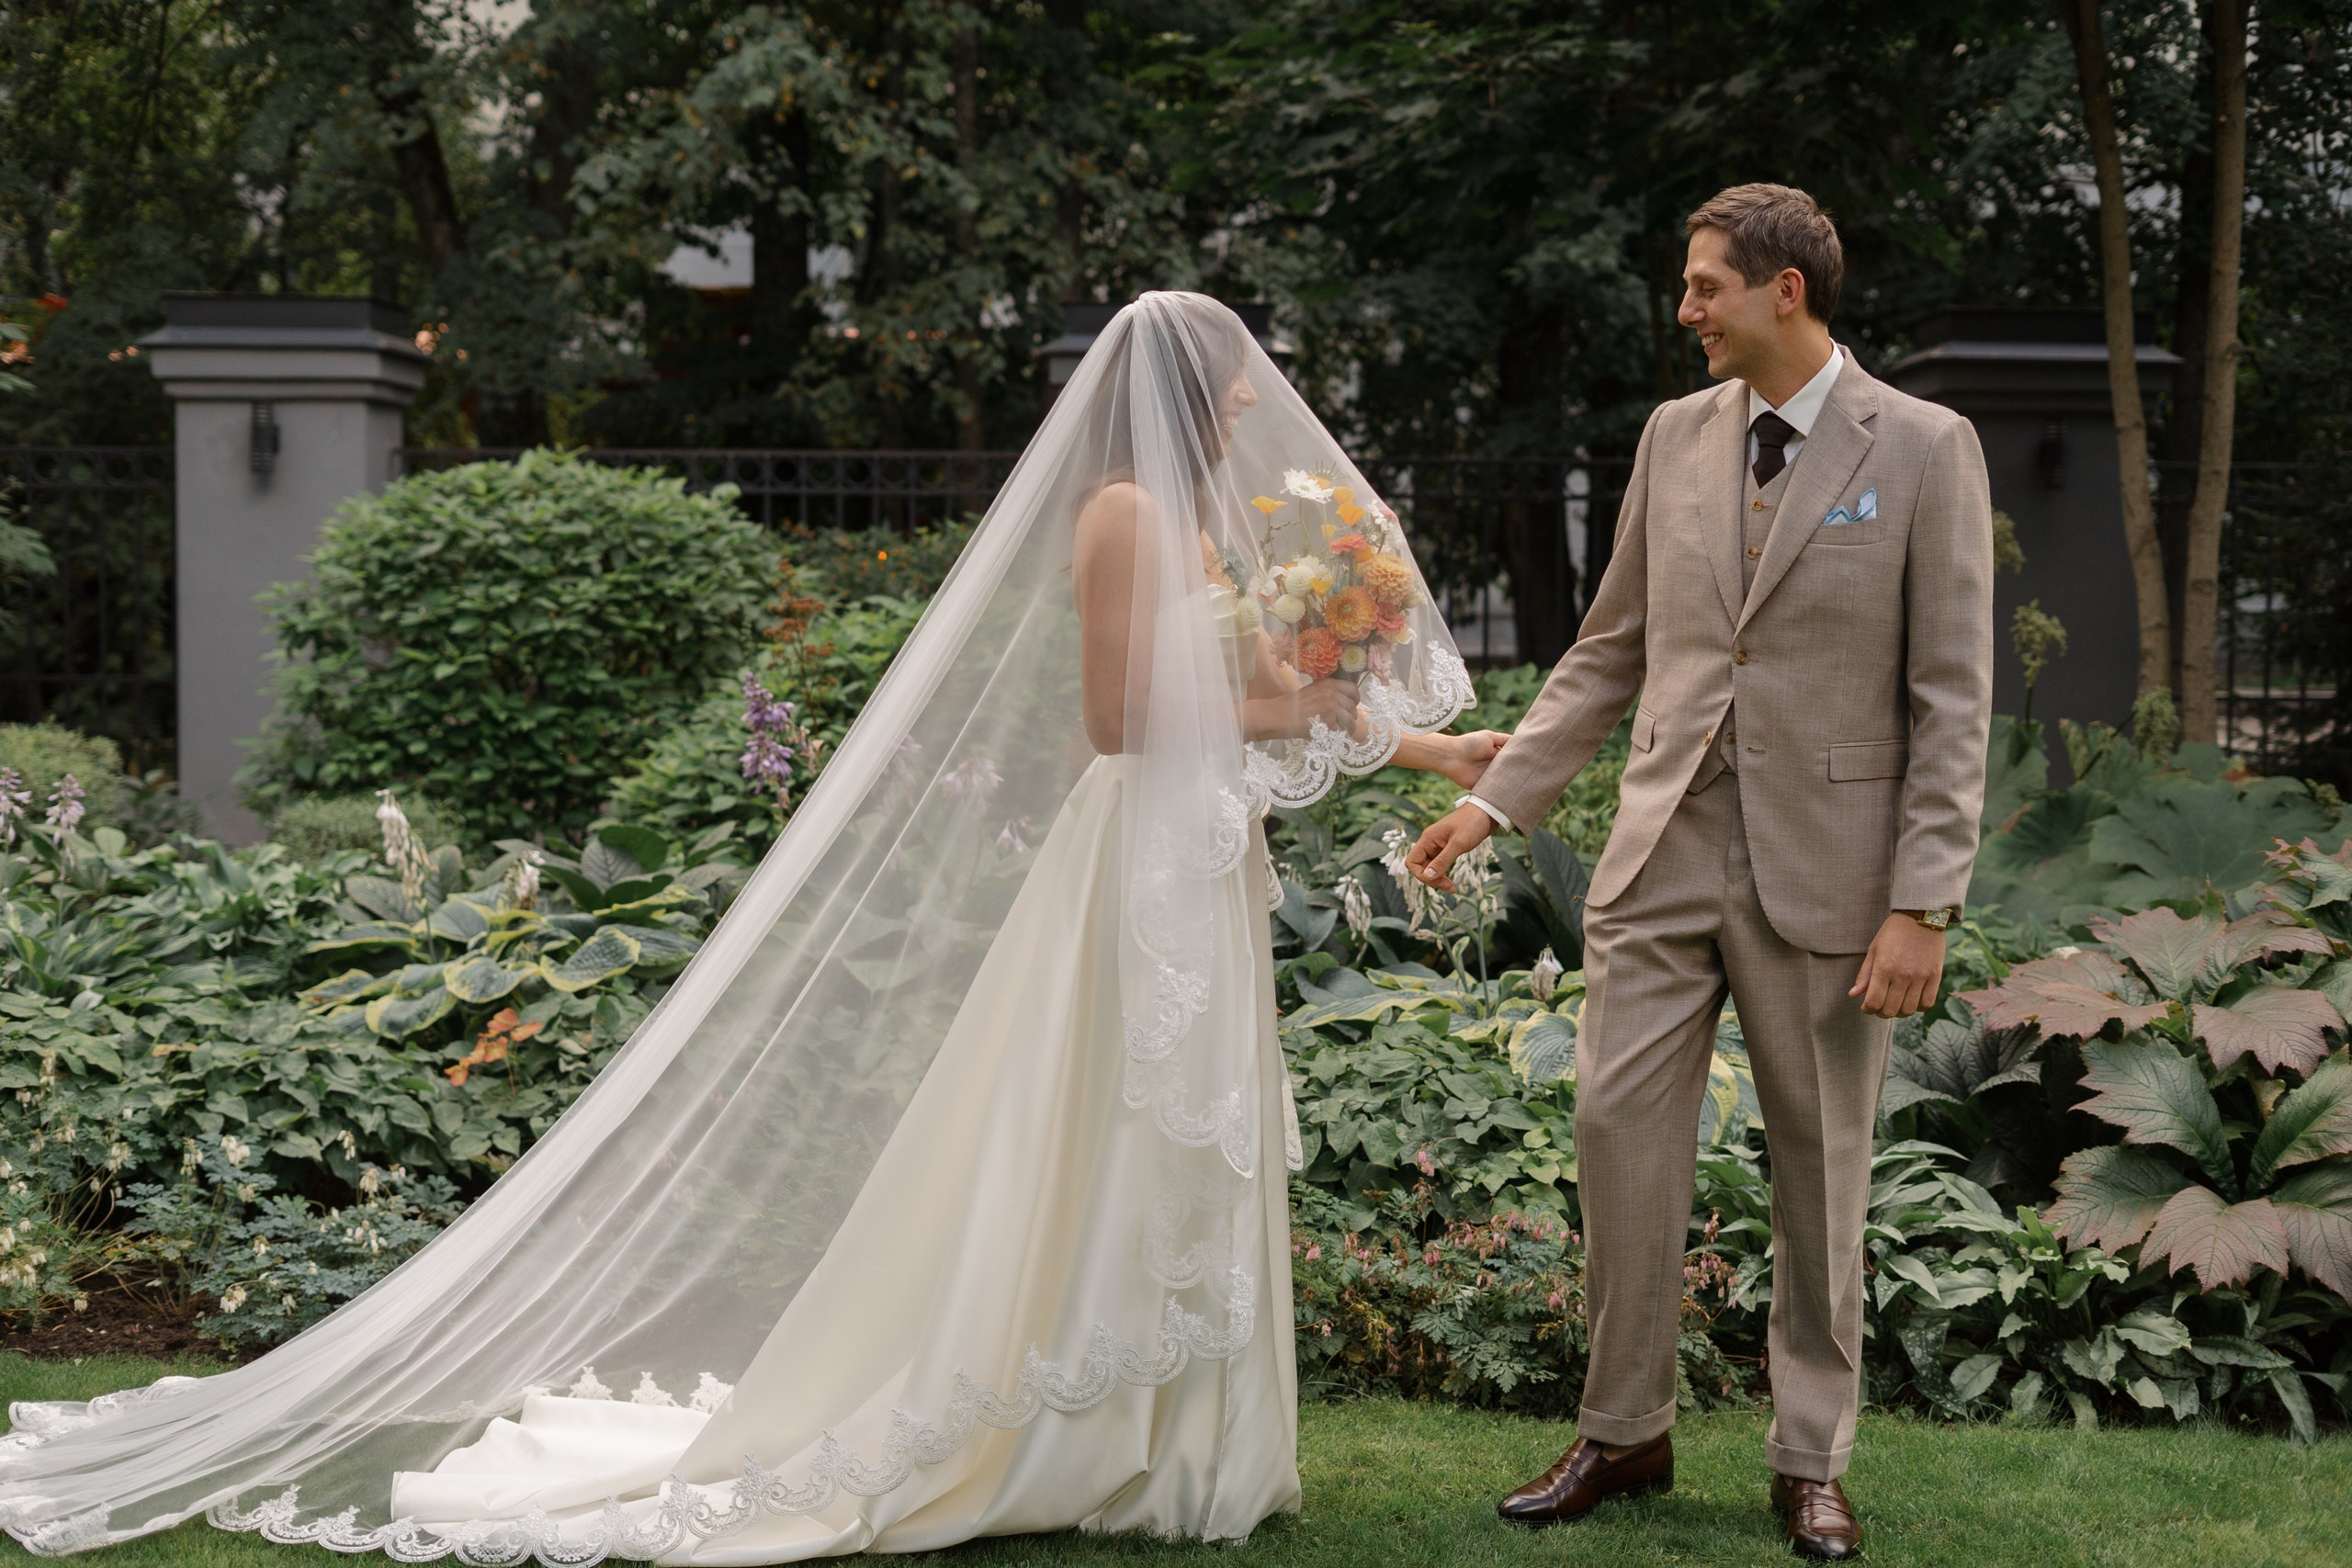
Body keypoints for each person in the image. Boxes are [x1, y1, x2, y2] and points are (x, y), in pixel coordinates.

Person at [0, 293, 1495, 1562]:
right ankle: (1091, 1428)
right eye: (1233, 383)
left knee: (1184, 1131)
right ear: (1182, 394)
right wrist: (1301, 694)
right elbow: (1123, 718)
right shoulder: (1118, 514)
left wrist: (1416, 744)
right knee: (1101, 1128)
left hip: (1199, 858)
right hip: (1133, 866)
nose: (1249, 402)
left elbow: (1221, 708)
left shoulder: (1198, 524)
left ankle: (1189, 1440)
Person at [1408, 184, 1993, 1562]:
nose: (1685, 312)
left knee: (1820, 1172)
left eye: (1703, 287)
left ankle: (1810, 1460)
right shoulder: (1674, 439)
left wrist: (1924, 902)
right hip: (1661, 850)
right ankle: (1625, 1431)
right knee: (1617, 1141)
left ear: (1786, 290)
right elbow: (1612, 647)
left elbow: (1953, 697)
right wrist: (1495, 807)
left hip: (1834, 873)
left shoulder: (1924, 447)